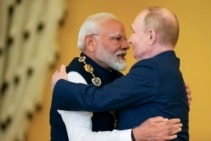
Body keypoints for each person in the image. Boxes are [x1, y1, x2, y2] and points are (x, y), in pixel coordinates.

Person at [50, 12, 186, 141]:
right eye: (116, 38)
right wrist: (134, 135)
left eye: (127, 37)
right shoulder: (73, 77)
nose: (127, 45)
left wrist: (171, 94)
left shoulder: (121, 76)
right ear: (91, 43)